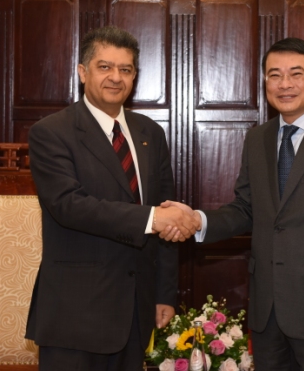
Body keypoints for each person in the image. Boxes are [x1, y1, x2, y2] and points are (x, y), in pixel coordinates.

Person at [162, 37, 304, 371]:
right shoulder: (258, 138)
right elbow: (245, 209)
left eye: (296, 74)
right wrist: (197, 220)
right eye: (274, 75)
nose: (285, 84)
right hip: (267, 312)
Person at [25, 26, 199, 371]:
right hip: (75, 314)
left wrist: (164, 293)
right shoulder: (51, 132)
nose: (116, 77)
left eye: (125, 69)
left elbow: (165, 210)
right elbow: (68, 205)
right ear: (82, 72)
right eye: (104, 67)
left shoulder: (150, 133)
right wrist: (152, 219)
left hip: (136, 311)